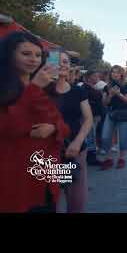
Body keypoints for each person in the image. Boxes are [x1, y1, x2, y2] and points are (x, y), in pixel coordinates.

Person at [0, 32, 70, 212]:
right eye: (26, 54)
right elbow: (9, 126)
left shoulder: (45, 87)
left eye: (38, 55)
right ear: (9, 55)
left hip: (45, 174)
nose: (33, 60)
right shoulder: (19, 88)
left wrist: (53, 128)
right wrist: (34, 88)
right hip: (14, 177)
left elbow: (64, 127)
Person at [45, 51, 93, 213]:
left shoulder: (77, 91)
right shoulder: (40, 91)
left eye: (66, 61)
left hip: (75, 150)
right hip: (48, 152)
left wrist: (78, 142)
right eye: (58, 61)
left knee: (76, 200)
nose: (63, 64)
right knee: (51, 199)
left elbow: (88, 119)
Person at [100, 65, 127, 170]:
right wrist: (110, 95)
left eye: (117, 72)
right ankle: (109, 158)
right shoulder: (107, 87)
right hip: (111, 113)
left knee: (123, 137)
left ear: (121, 74)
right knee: (105, 137)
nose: (115, 74)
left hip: (123, 114)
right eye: (113, 72)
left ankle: (121, 158)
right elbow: (105, 103)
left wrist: (119, 94)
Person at [83, 70, 104, 165]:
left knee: (91, 136)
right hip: (89, 116)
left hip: (94, 115)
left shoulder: (92, 87)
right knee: (90, 137)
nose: (97, 78)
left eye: (97, 76)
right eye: (95, 76)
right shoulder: (85, 88)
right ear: (89, 78)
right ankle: (90, 158)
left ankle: (90, 156)